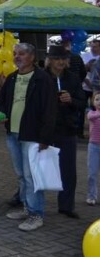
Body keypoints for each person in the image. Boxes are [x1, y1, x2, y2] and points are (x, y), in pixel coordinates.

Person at [0, 43, 58, 232]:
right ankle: (26, 207)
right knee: (22, 175)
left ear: (32, 57)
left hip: (32, 135)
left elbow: (50, 110)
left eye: (21, 54)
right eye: (15, 53)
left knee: (32, 177)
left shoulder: (43, 78)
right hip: (13, 133)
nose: (17, 57)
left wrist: (45, 138)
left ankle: (36, 214)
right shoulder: (12, 77)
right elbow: (3, 100)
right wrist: (3, 113)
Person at [46, 45, 83, 218]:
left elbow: (81, 103)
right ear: (50, 60)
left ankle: (66, 205)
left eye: (63, 59)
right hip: (46, 129)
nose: (60, 62)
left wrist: (71, 100)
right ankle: (27, 200)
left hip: (67, 129)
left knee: (68, 170)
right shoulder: (42, 77)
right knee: (36, 165)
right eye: (57, 58)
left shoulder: (73, 79)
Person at [87, 92, 100, 206]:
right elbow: (92, 117)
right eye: (97, 99)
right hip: (93, 146)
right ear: (93, 101)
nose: (99, 102)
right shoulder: (92, 113)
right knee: (92, 173)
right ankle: (91, 196)